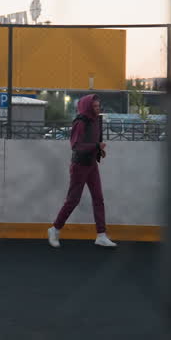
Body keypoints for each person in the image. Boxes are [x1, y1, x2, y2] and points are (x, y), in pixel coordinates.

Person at [47, 94, 115, 248]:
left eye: (99, 106)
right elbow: (76, 146)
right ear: (88, 107)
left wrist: (99, 151)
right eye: (95, 106)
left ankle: (101, 235)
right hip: (79, 166)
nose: (98, 109)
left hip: (92, 165)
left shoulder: (97, 120)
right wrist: (96, 147)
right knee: (73, 200)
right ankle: (54, 229)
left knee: (98, 198)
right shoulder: (80, 122)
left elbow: (94, 141)